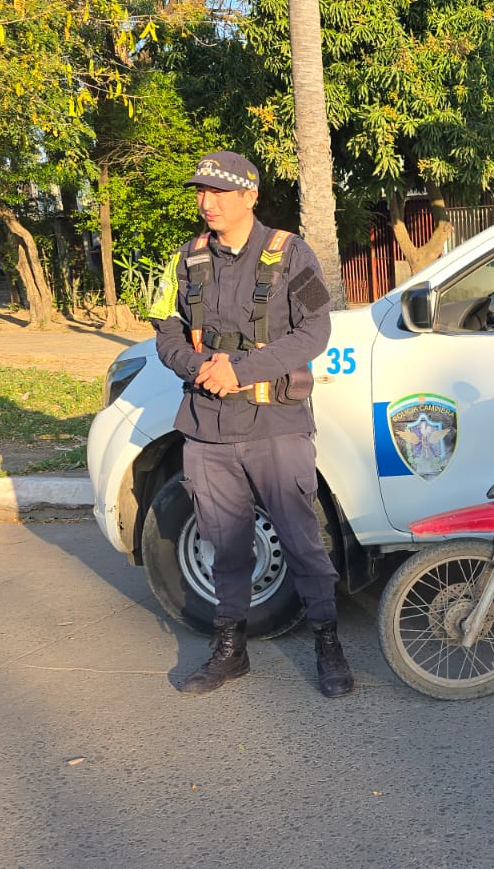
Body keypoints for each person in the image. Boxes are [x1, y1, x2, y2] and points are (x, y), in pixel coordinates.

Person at [149, 150, 353, 698]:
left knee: (302, 540)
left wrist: (238, 370)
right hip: (207, 426)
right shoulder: (185, 259)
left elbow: (314, 334)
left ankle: (327, 643)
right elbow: (165, 332)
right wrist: (201, 369)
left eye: (217, 192)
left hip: (275, 425)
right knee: (226, 545)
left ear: (250, 195)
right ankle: (229, 649)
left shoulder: (290, 253)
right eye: (200, 191)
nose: (205, 202)